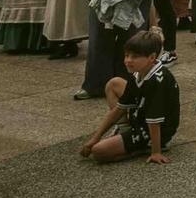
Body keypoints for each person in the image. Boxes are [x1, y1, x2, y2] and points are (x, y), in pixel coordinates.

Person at [77, 27, 180, 165]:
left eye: (135, 57)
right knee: (114, 84)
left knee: (99, 152)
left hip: (156, 131)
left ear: (152, 57)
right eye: (127, 55)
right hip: (141, 118)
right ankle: (125, 129)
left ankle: (143, 148)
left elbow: (154, 121)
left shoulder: (157, 81)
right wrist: (96, 137)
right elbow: (119, 109)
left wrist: (156, 152)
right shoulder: (139, 72)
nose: (128, 60)